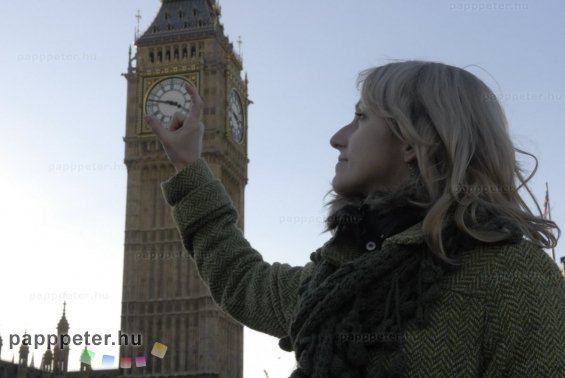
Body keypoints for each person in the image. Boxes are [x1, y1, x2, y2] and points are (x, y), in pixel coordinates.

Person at [146, 60, 565, 377]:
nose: (337, 138)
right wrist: (188, 164)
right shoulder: (336, 279)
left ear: (412, 141)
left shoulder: (517, 281)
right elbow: (239, 278)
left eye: (361, 117)